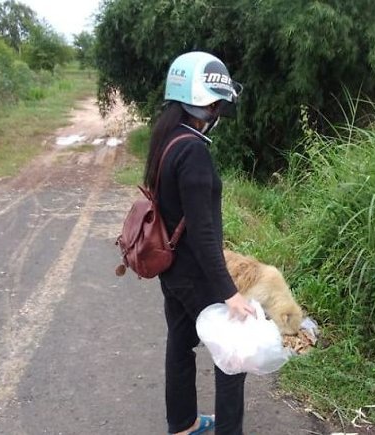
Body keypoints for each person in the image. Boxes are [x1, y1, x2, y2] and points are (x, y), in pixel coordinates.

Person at [145, 51, 256, 435]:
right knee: (232, 357)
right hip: (194, 272)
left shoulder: (166, 139)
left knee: (180, 343)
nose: (218, 114)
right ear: (206, 103)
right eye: (217, 105)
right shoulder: (193, 151)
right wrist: (229, 292)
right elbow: (203, 231)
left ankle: (183, 423)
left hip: (170, 268)